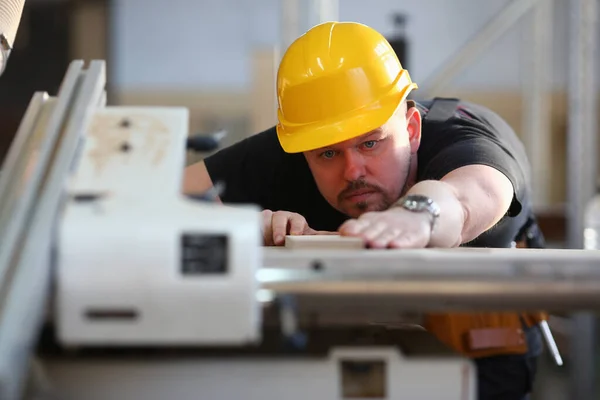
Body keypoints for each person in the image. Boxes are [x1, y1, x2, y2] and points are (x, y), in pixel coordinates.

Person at [184, 21, 543, 400]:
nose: (352, 171)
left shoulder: (466, 140)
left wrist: (416, 216)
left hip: (477, 352)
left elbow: (470, 195)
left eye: (371, 144)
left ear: (412, 128)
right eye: (327, 154)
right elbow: (152, 199)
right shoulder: (299, 143)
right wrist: (239, 225)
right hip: (341, 347)